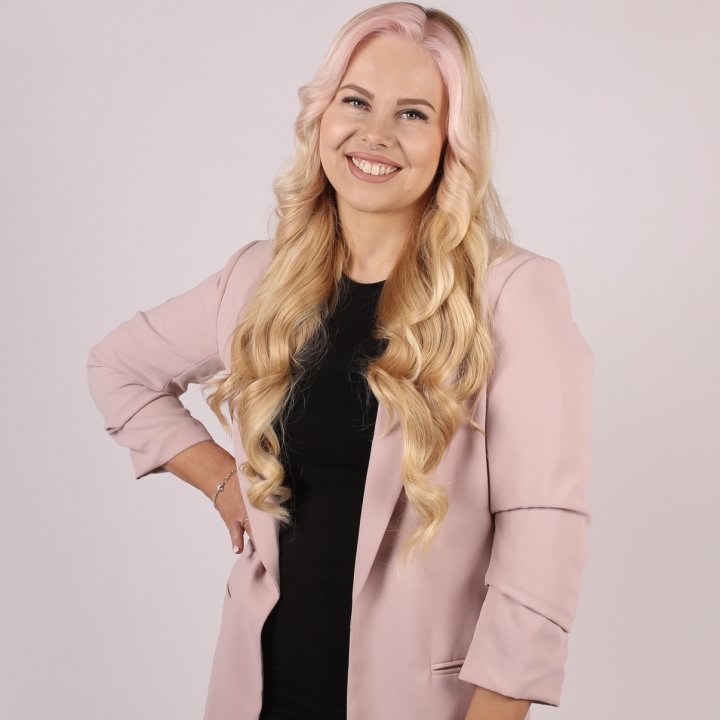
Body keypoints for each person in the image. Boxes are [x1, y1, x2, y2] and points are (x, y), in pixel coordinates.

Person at [86, 3, 594, 720]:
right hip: (260, 690)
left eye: (412, 113)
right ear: (322, 116)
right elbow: (118, 367)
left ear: (451, 140)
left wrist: (498, 709)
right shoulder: (258, 277)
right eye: (356, 101)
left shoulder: (512, 293)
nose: (375, 134)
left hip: (419, 701)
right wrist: (221, 480)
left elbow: (543, 526)